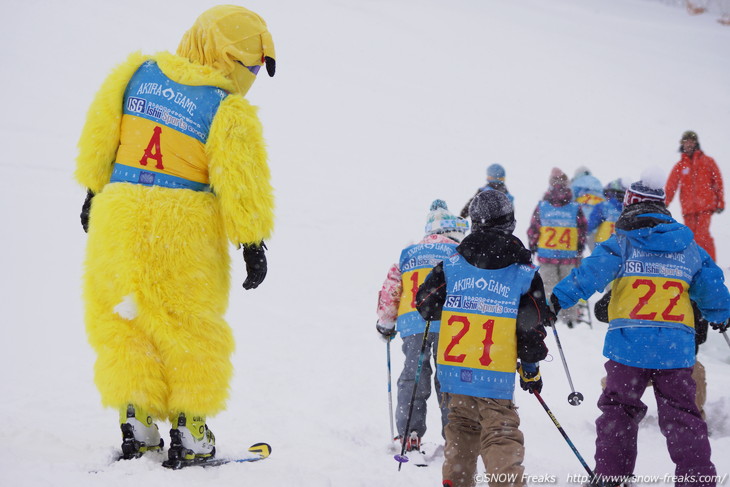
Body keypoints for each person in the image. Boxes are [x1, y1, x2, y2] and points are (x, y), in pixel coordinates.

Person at [75, 5, 276, 467]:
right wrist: (251, 241)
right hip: (183, 230)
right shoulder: (227, 108)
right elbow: (242, 180)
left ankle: (138, 420)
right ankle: (192, 429)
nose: (249, 77)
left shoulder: (135, 74)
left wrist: (92, 189)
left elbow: (100, 133)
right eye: (249, 66)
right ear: (225, 55)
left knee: (123, 321)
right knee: (190, 326)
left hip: (118, 216)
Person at [550, 171, 730, 487]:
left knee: (619, 410)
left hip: (629, 346)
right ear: (662, 206)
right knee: (684, 418)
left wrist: (555, 301)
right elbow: (711, 286)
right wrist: (721, 313)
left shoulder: (622, 243)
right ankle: (697, 481)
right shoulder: (688, 247)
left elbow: (588, 275)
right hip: (675, 349)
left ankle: (611, 477)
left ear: (630, 203)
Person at [416, 190, 552, 487]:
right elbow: (532, 328)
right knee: (500, 434)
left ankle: (457, 481)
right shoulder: (523, 274)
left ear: (475, 223)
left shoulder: (452, 266)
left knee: (462, 430)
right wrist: (530, 370)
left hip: (455, 373)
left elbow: (425, 304)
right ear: (509, 223)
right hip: (494, 373)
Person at [376, 200, 469, 451]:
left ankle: (410, 432)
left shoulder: (408, 253)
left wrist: (386, 323)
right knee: (448, 380)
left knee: (413, 377)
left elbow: (392, 289)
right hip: (450, 324)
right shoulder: (458, 253)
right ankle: (455, 436)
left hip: (413, 322)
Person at [593, 291, 709, 420]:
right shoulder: (682, 284)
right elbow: (600, 310)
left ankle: (692, 420)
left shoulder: (686, 289)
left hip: (665, 360)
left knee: (695, 373)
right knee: (694, 375)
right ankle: (692, 419)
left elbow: (701, 335)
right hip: (652, 359)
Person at [527, 167, 587, 327]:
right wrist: (579, 248)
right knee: (569, 286)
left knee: (548, 286)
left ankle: (549, 314)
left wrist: (532, 246)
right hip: (569, 255)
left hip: (547, 254)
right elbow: (582, 229)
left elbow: (534, 228)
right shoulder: (575, 207)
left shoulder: (543, 206)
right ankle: (570, 317)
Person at [665, 130, 724, 261]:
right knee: (690, 237)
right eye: (686, 142)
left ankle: (709, 263)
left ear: (696, 143)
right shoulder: (680, 165)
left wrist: (720, 202)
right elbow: (671, 185)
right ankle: (693, 263)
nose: (688, 144)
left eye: (691, 141)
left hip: (705, 206)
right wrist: (664, 202)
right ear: (682, 144)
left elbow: (717, 182)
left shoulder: (708, 161)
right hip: (688, 209)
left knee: (702, 236)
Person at [571, 166, 605, 250]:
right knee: (595, 250)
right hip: (597, 220)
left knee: (576, 248)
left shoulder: (576, 183)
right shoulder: (597, 183)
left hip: (581, 217)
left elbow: (570, 198)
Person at [587, 179, 626, 246]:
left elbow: (590, 226)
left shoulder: (602, 206)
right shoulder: (629, 209)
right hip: (622, 247)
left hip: (603, 245)